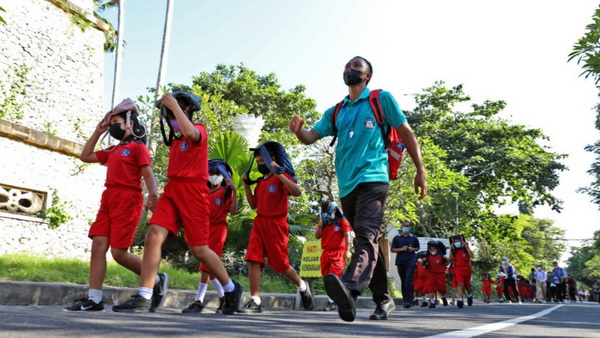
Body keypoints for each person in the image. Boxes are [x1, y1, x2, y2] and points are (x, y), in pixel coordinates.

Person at [289, 56, 427, 322]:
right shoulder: (336, 111)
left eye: (355, 67)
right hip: (347, 184)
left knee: (365, 233)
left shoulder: (380, 99)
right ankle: (384, 301)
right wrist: (298, 131)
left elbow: (407, 133)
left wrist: (420, 171)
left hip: (374, 177)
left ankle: (349, 290)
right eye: (346, 67)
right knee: (369, 240)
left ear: (367, 76)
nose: (349, 70)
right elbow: (310, 138)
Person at [112, 92, 243, 314]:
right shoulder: (176, 141)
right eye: (167, 114)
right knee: (153, 234)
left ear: (187, 110)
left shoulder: (198, 129)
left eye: (173, 112)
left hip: (194, 192)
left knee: (199, 249)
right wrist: (154, 196)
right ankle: (145, 295)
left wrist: (174, 104)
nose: (170, 117)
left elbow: (191, 132)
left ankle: (231, 288)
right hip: (173, 191)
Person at [64, 99, 159, 312]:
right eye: (111, 122)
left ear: (130, 124)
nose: (113, 125)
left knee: (119, 253)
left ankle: (156, 278)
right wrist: (98, 132)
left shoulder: (138, 147)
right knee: (98, 245)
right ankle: (94, 299)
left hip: (128, 199)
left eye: (116, 121)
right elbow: (85, 156)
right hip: (108, 198)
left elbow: (148, 173)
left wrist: (152, 195)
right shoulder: (113, 150)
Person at [240, 141, 313, 313]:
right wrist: (246, 187)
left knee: (280, 264)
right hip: (260, 222)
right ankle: (255, 300)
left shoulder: (280, 175)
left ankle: (302, 286)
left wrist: (278, 173)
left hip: (276, 224)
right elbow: (253, 205)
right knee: (253, 258)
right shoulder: (260, 182)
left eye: (261, 161)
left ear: (271, 159)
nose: (259, 164)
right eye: (257, 162)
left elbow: (297, 192)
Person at [182, 160, 238, 314]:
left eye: (217, 174)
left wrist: (235, 191)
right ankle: (224, 296)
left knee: (206, 267)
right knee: (211, 269)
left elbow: (233, 211)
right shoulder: (204, 193)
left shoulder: (224, 192)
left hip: (218, 230)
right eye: (211, 173)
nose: (214, 176)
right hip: (203, 229)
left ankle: (199, 301)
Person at [315, 200, 352, 311]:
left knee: (335, 277)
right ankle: (334, 300)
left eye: (328, 210)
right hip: (326, 252)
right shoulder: (324, 222)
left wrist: (348, 251)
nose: (327, 212)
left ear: (334, 209)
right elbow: (317, 236)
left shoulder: (342, 221)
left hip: (338, 253)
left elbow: (347, 236)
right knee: (327, 278)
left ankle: (333, 302)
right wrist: (320, 225)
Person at [390, 221, 420, 309]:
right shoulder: (397, 238)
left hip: (411, 261)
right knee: (404, 281)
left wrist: (412, 249)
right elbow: (393, 249)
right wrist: (402, 249)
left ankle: (409, 300)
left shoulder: (413, 238)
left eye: (407, 226)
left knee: (408, 280)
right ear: (402, 227)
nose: (406, 227)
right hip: (401, 261)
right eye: (404, 226)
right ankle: (405, 300)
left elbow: (417, 248)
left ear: (410, 227)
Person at [448, 234, 474, 308]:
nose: (457, 243)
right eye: (455, 241)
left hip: (467, 269)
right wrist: (451, 249)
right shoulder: (454, 250)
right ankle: (460, 300)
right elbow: (451, 259)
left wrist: (466, 246)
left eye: (458, 241)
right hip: (458, 269)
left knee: (467, 285)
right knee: (460, 284)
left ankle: (469, 295)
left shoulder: (465, 249)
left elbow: (471, 256)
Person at [422, 241, 448, 308]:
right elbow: (422, 264)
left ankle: (443, 297)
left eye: (434, 249)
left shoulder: (441, 256)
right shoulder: (427, 256)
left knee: (442, 288)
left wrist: (446, 260)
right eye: (431, 249)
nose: (432, 251)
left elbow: (447, 264)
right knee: (431, 288)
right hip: (431, 274)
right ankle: (432, 302)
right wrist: (423, 261)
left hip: (440, 274)